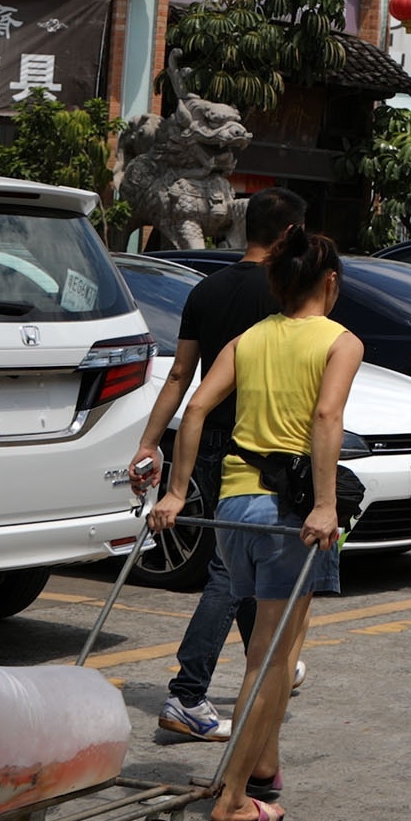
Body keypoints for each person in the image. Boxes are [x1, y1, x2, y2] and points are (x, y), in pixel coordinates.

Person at [148, 224, 361, 821]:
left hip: (235, 509)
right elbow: (327, 415)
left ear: (273, 281)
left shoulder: (246, 340)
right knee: (269, 660)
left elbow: (195, 407)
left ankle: (264, 765)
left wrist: (179, 490)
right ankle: (233, 796)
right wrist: (325, 504)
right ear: (332, 282)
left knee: (279, 645)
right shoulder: (340, 341)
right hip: (289, 515)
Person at [127, 187, 305, 743]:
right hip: (262, 445)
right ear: (291, 235)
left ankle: (270, 656)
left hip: (207, 440)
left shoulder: (206, 289)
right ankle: (187, 694)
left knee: (242, 560)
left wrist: (150, 441)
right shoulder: (287, 293)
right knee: (230, 572)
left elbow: (180, 376)